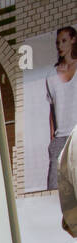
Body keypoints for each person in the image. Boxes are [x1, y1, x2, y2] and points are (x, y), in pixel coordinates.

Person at [45, 26, 77, 191]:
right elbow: (52, 111)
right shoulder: (51, 75)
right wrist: (53, 141)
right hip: (60, 138)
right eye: (58, 43)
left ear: (73, 40)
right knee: (53, 188)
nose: (60, 46)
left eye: (64, 41)